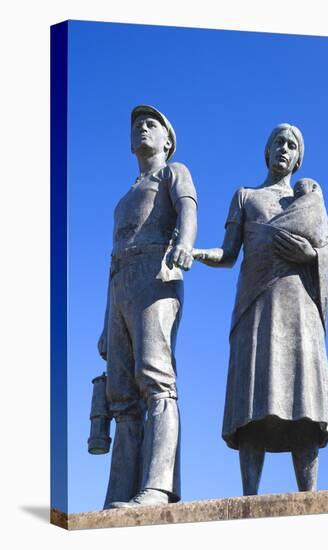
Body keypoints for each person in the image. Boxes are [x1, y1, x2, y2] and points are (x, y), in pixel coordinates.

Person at [192, 124, 328, 495]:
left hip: (300, 306)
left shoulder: (308, 201)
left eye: (292, 145)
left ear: (299, 157)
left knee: (304, 399)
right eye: (279, 142)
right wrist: (193, 253)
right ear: (267, 150)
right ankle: (249, 499)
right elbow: (227, 255)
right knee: (252, 399)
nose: (284, 149)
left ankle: (309, 498)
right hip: (255, 305)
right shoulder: (245, 196)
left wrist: (312, 255)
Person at [98, 105, 197, 508]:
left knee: (155, 379)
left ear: (167, 140)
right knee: (121, 393)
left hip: (156, 274)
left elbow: (188, 207)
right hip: (120, 284)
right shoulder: (124, 199)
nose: (142, 127)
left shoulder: (175, 172)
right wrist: (107, 323)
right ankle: (120, 491)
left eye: (151, 123)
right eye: (137, 123)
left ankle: (158, 486)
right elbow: (113, 258)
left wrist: (185, 243)